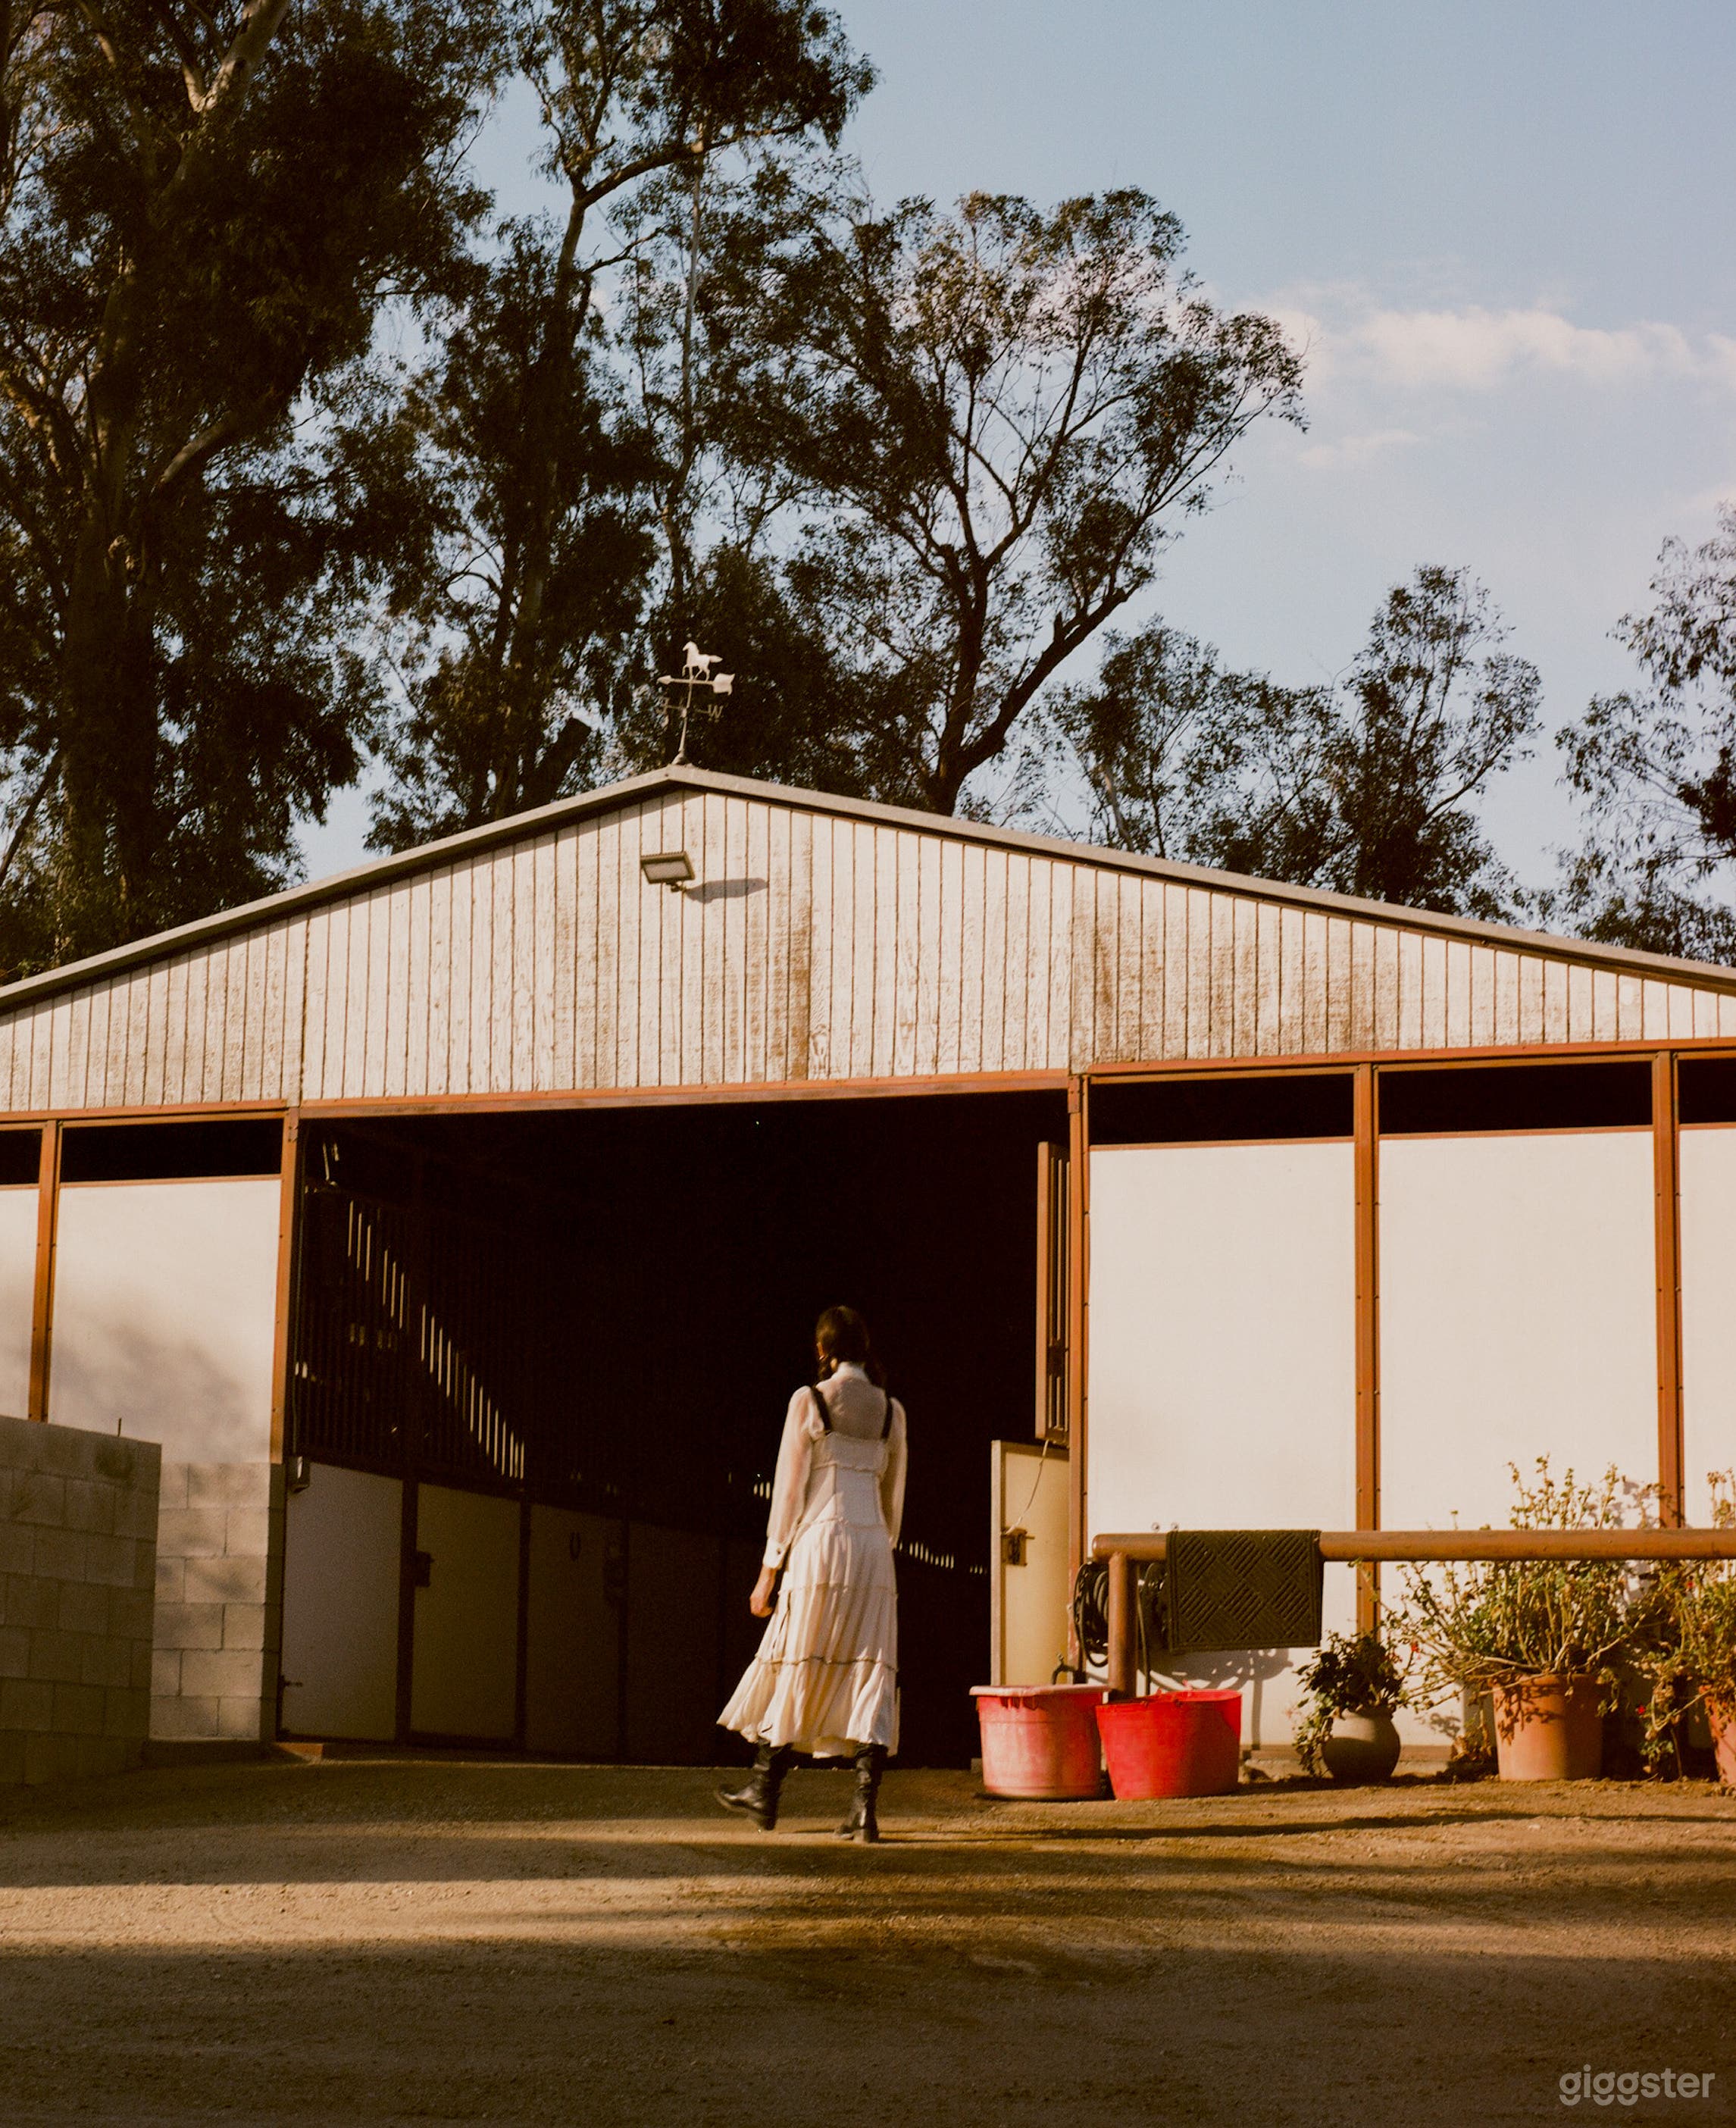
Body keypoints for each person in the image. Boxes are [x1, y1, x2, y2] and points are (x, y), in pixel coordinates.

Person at [717, 1305, 906, 1842]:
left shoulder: (810, 1400)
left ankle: (764, 1791)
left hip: (820, 1543)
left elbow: (789, 1492)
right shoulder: (892, 1411)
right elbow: (894, 1500)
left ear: (823, 1350)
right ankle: (864, 1810)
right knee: (870, 1667)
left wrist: (768, 1571)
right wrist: (879, 1551)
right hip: (873, 1550)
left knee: (797, 1653)